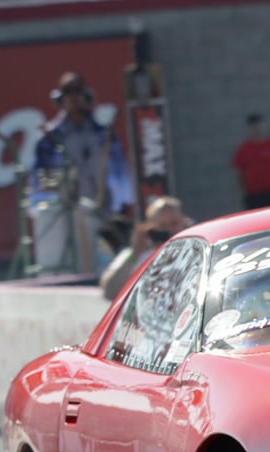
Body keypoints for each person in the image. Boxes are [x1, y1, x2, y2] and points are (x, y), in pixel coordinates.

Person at [31, 71, 135, 260]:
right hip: (69, 219)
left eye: (78, 92)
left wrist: (123, 205)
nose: (74, 98)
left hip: (104, 215)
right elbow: (43, 183)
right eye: (68, 93)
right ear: (60, 99)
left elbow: (121, 174)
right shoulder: (49, 139)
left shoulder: (104, 135)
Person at [99, 196, 192, 301]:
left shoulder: (195, 251)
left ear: (184, 221)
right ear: (151, 227)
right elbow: (110, 292)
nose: (169, 230)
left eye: (174, 223)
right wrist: (135, 254)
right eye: (163, 225)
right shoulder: (136, 255)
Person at [232, 113, 270, 210]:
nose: (256, 129)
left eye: (258, 126)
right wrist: (243, 191)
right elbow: (239, 173)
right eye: (253, 127)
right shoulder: (243, 149)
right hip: (253, 196)